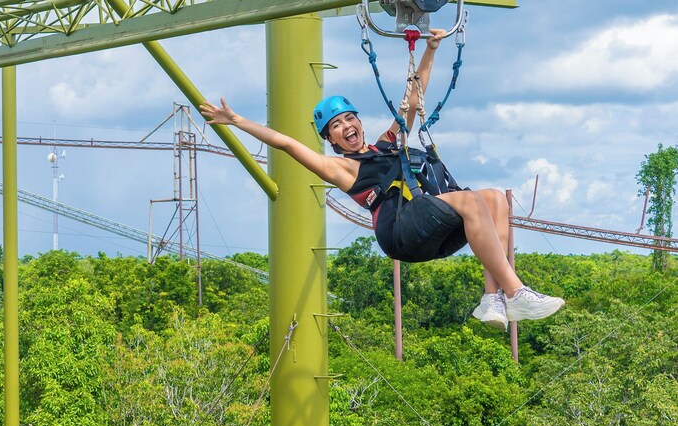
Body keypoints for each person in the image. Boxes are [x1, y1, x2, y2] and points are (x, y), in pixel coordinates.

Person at [199, 28, 563, 330]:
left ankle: (492, 299)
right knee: (471, 201)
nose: (346, 128)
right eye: (336, 127)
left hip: (426, 229)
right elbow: (288, 144)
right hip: (400, 230)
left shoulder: (387, 145)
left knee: (495, 198)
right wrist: (237, 121)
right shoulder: (341, 168)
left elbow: (413, 99)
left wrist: (431, 49)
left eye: (349, 120)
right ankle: (515, 291)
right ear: (332, 141)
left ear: (359, 121)